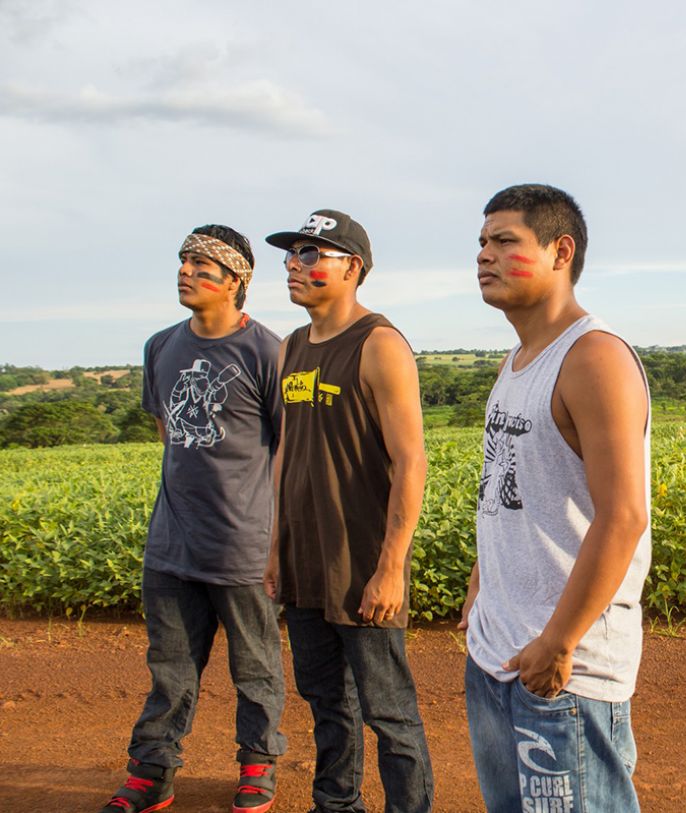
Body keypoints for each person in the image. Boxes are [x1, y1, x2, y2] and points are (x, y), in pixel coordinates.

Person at [458, 184, 651, 813]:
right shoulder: (517, 360)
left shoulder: (593, 358)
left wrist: (558, 642)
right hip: (499, 653)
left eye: (505, 241)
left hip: (565, 671)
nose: (484, 254)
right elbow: (507, 485)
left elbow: (622, 518)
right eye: (482, 242)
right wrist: (481, 582)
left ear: (560, 251)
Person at [99, 224, 286, 813]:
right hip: (172, 543)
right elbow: (168, 434)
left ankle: (257, 768)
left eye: (203, 267)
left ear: (237, 283)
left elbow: (286, 449)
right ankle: (152, 773)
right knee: (170, 672)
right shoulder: (161, 346)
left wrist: (277, 541)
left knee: (255, 669)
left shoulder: (267, 352)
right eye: (183, 262)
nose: (187, 273)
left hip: (244, 546)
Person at [262, 209, 433, 813]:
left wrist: (391, 567)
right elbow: (286, 451)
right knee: (325, 701)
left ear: (352, 267)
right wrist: (275, 546)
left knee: (388, 711)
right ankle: (336, 805)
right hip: (305, 561)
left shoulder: (379, 344)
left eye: (312, 255)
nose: (294, 264)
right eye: (292, 254)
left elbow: (412, 462)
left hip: (362, 563)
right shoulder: (292, 347)